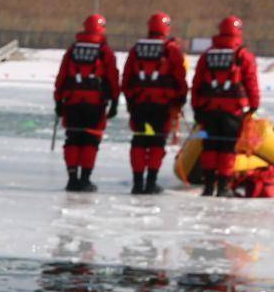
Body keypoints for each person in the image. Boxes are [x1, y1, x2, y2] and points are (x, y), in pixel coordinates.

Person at [190, 15, 262, 197]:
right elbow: (251, 82)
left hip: (208, 110)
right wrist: (253, 106)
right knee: (227, 148)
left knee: (209, 146)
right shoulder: (243, 55)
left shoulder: (207, 55)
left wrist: (197, 108)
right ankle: (222, 187)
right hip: (233, 112)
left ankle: (208, 186)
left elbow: (197, 82)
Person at [52, 14, 123, 193]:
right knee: (91, 140)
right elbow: (113, 77)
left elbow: (62, 76)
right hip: (95, 103)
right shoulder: (104, 51)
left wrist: (58, 100)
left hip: (72, 101)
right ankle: (85, 179)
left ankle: (72, 178)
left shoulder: (73, 49)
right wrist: (115, 100)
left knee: (73, 139)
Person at [120, 12, 189, 195]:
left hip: (139, 105)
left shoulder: (137, 49)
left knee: (140, 141)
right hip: (162, 106)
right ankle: (150, 183)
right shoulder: (172, 50)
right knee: (157, 143)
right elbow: (179, 78)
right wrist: (180, 99)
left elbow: (126, 77)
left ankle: (137, 183)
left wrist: (130, 100)